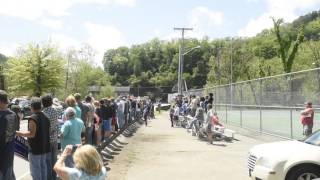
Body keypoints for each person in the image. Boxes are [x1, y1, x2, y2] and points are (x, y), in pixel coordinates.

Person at [16, 97, 51, 180]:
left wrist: (16, 132)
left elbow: (31, 134)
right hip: (45, 147)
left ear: (31, 106)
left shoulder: (33, 118)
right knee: (43, 168)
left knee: (36, 170)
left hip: (35, 149)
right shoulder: (46, 117)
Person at [0, 90, 19, 180]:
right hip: (10, 148)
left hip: (3, 150)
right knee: (9, 171)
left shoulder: (2, 116)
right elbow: (15, 129)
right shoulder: (13, 114)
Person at [41, 94, 60, 180]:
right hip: (55, 138)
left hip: (47, 140)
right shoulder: (55, 110)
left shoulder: (43, 113)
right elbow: (56, 124)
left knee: (47, 161)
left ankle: (49, 178)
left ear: (43, 103)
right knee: (54, 159)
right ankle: (54, 176)